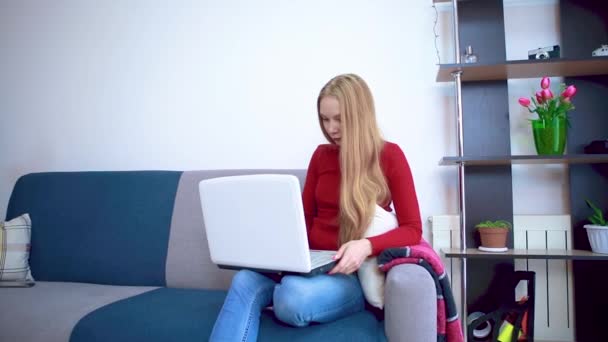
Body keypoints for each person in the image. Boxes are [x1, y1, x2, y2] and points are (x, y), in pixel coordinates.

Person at [209, 73, 422, 341]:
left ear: (359, 115)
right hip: (304, 265)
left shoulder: (390, 156)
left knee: (292, 297)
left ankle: (280, 290)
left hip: (345, 275)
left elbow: (412, 229)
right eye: (325, 119)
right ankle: (280, 283)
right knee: (243, 279)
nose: (331, 128)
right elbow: (302, 219)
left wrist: (365, 245)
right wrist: (277, 254)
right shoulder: (321, 156)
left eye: (339, 119)